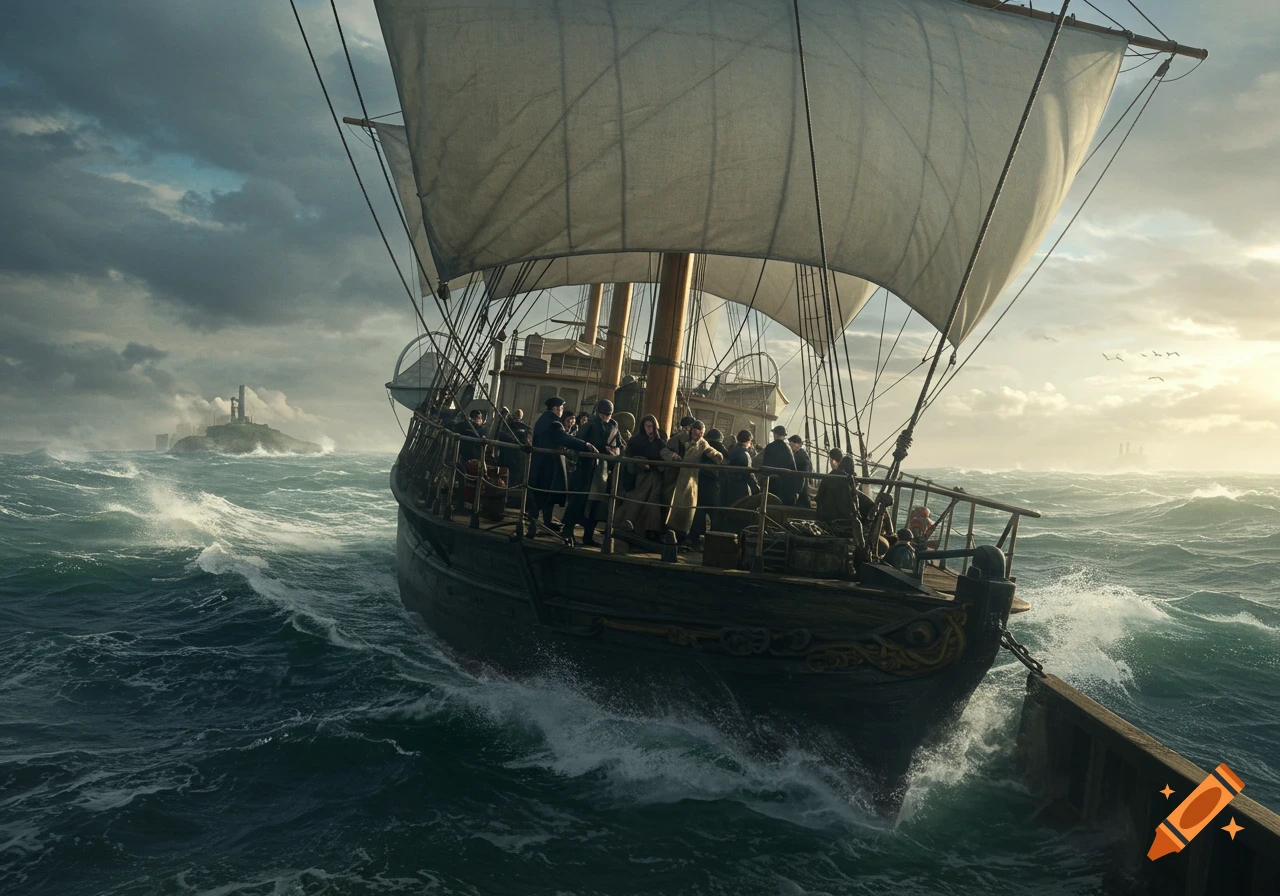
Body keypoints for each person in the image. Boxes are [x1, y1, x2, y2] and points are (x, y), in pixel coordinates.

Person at [529, 396, 596, 532]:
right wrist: (585, 444)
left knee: (544, 494)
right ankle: (534, 526)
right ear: (555, 408)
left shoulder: (542, 420)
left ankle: (542, 523)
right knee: (546, 493)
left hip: (540, 463)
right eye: (561, 408)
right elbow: (564, 439)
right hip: (549, 465)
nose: (562, 410)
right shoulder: (554, 423)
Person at [561, 399, 622, 546]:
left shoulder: (614, 429)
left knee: (596, 506)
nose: (606, 417)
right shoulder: (589, 426)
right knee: (578, 502)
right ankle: (568, 531)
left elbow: (619, 446)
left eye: (608, 415)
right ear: (598, 413)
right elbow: (579, 443)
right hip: (586, 470)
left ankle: (588, 535)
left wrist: (613, 452)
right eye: (603, 414)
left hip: (602, 472)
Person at [661, 419, 723, 543]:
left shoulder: (702, 443)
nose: (698, 435)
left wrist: (718, 456)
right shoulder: (679, 438)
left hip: (689, 480)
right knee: (669, 505)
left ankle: (680, 536)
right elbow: (664, 450)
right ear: (691, 430)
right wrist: (672, 456)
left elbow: (711, 451)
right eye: (695, 432)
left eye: (700, 433)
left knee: (686, 509)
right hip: (674, 477)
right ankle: (665, 532)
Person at [615, 414, 668, 539]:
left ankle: (648, 530)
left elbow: (662, 457)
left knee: (652, 504)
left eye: (650, 426)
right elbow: (629, 454)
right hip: (637, 477)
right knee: (634, 502)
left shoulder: (660, 442)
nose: (648, 429)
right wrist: (638, 462)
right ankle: (625, 525)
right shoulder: (636, 440)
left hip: (653, 478)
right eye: (646, 426)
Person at [689, 427, 728, 546]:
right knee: (714, 513)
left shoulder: (702, 446)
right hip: (714, 486)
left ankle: (695, 539)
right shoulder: (721, 449)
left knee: (699, 512)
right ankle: (713, 540)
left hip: (700, 483)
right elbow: (725, 467)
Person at [815, 455, 865, 546]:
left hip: (823, 518)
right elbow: (845, 507)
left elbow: (818, 498)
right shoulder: (847, 481)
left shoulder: (829, 475)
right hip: (839, 521)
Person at [720, 430, 760, 531]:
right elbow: (749, 472)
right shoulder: (744, 453)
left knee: (731, 512)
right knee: (740, 512)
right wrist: (756, 488)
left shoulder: (733, 450)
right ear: (748, 441)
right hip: (740, 487)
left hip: (730, 485)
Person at [760, 425, 798, 506]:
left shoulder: (770, 447)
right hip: (785, 485)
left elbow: (764, 466)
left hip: (771, 484)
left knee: (769, 507)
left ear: (775, 434)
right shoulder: (788, 448)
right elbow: (793, 468)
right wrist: (794, 490)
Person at [788, 434, 814, 508]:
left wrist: (797, 491)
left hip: (800, 489)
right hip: (802, 488)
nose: (790, 447)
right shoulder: (802, 455)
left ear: (798, 445)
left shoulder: (800, 457)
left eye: (792, 445)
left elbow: (801, 476)